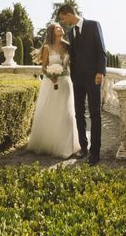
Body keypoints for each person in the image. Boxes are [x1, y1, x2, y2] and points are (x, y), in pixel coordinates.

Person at [58, 4, 106, 165]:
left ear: (69, 14)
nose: (63, 22)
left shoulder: (93, 25)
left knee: (95, 114)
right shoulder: (71, 34)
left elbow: (101, 50)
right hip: (77, 80)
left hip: (94, 78)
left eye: (63, 18)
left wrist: (100, 72)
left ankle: (95, 153)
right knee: (79, 114)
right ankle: (84, 148)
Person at [27, 23, 80, 158]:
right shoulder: (47, 47)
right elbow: (44, 67)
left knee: (66, 111)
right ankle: (49, 143)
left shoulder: (68, 46)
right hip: (50, 83)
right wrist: (51, 75)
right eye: (57, 27)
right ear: (52, 31)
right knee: (50, 110)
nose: (61, 28)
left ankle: (66, 144)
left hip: (66, 82)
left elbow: (73, 64)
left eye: (61, 27)